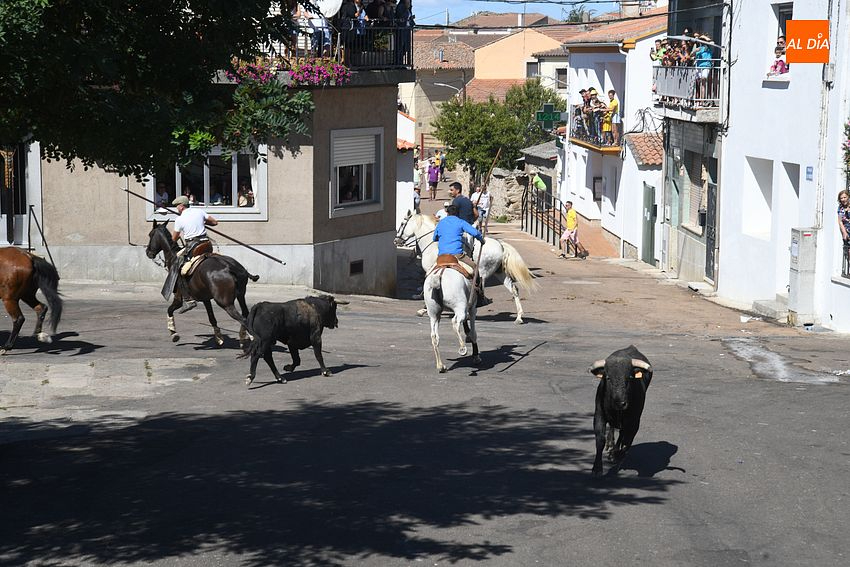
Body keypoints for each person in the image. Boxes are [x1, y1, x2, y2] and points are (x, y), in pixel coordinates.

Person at [168, 195, 219, 313]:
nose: (176, 209)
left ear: (181, 206)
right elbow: (215, 222)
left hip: (194, 247)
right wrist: (202, 223)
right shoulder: (199, 211)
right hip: (206, 244)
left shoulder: (179, 219)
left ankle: (188, 299)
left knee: (178, 267)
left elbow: (174, 239)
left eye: (177, 206)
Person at [433, 204, 489, 305]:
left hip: (442, 257)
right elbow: (475, 233)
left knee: (429, 272)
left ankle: (426, 295)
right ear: (457, 213)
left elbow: (434, 238)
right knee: (475, 268)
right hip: (457, 255)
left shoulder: (441, 223)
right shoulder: (460, 222)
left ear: (447, 213)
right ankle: (479, 295)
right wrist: (481, 240)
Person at [838, 190, 850, 266]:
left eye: (844, 197)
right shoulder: (840, 208)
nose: (843, 199)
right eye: (841, 198)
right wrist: (844, 232)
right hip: (847, 231)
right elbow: (840, 221)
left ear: (848, 197)